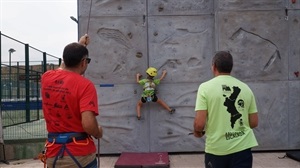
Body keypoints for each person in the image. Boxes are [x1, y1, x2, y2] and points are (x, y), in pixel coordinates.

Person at [41, 34, 103, 168]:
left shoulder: (47, 77)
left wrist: (80, 45)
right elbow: (88, 124)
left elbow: (62, 67)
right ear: (83, 62)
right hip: (80, 154)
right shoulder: (85, 85)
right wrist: (98, 132)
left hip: (53, 153)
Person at [193, 51, 258, 168]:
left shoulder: (205, 88)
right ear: (231, 68)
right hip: (243, 149)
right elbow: (254, 122)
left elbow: (199, 124)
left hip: (217, 150)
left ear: (214, 67)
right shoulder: (245, 87)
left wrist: (198, 132)